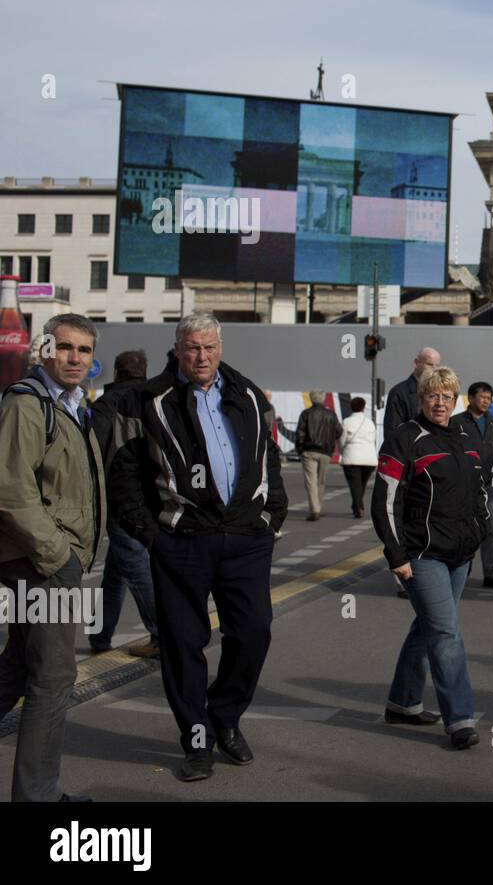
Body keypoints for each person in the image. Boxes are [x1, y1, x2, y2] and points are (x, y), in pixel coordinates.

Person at [112, 313, 287, 782]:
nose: (201, 356)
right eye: (192, 348)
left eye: (209, 347)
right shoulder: (148, 399)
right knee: (183, 643)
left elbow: (269, 456)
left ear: (220, 347)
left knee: (254, 632)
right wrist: (150, 532)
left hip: (246, 538)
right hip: (181, 540)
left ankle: (225, 716)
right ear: (178, 348)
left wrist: (272, 514)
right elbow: (125, 473)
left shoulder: (246, 393)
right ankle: (196, 741)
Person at [0, 313, 106, 802]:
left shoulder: (72, 405)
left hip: (47, 561)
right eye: (65, 348)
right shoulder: (29, 404)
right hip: (39, 563)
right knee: (54, 677)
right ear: (45, 349)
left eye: (84, 351)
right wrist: (58, 556)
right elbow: (11, 491)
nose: (75, 358)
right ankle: (37, 796)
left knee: (19, 667)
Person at [373, 366, 489, 749]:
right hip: (422, 556)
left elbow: (480, 490)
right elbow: (385, 503)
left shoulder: (466, 435)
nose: (440, 403)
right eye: (432, 396)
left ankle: (402, 703)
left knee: (427, 627)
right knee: (444, 632)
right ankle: (459, 719)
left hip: (460, 554)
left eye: (447, 396)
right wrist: (396, 555)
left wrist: (479, 529)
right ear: (421, 399)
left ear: (456, 401)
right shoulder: (404, 438)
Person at [88, 349, 160, 658]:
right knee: (116, 569)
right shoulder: (155, 398)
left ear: (116, 372)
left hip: (119, 497)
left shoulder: (107, 404)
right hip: (150, 494)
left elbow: (97, 453)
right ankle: (100, 636)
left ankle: (162, 632)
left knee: (133, 563)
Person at [450, 381, 493, 589]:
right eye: (483, 397)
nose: (486, 401)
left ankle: (491, 574)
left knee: (490, 530)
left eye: (489, 398)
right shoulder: (457, 422)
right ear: (471, 398)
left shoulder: (492, 422)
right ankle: (460, 571)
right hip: (464, 488)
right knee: (465, 531)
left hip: (488, 487)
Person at [295, 391, 342, 521]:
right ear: (323, 399)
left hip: (309, 450)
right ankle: (318, 507)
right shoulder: (331, 414)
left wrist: (299, 450)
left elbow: (300, 433)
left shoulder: (306, 414)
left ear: (311, 399)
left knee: (311, 481)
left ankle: (314, 509)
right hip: (326, 452)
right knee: (321, 481)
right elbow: (339, 431)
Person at [383, 347, 441, 446]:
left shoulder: (440, 392)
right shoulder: (399, 392)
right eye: (429, 364)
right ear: (416, 363)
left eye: (437, 366)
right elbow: (392, 431)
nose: (434, 369)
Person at [338, 396, 378, 519]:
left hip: (351, 457)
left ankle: (358, 506)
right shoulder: (370, 422)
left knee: (354, 484)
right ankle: (357, 504)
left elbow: (342, 440)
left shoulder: (346, 422)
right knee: (362, 483)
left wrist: (341, 451)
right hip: (369, 459)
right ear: (363, 407)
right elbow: (373, 439)